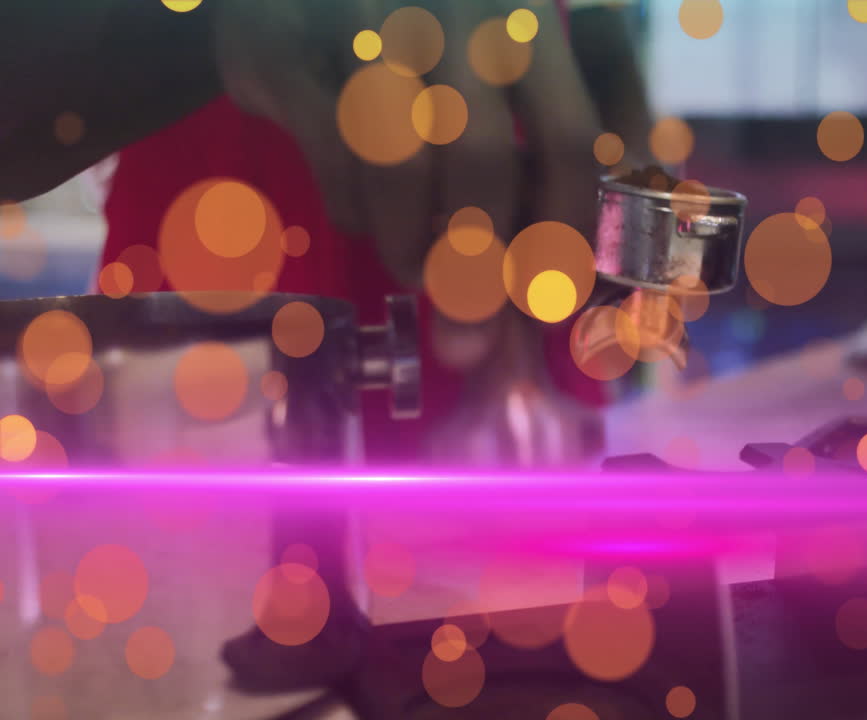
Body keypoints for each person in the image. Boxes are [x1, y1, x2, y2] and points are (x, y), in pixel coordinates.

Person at [0, 0, 653, 692]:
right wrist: (209, 30)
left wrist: (597, 39)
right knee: (183, 632)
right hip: (227, 212)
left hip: (478, 155)